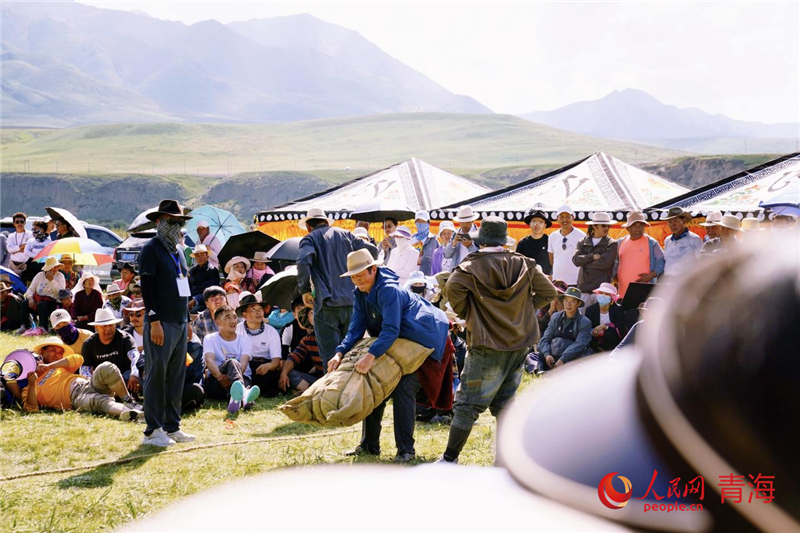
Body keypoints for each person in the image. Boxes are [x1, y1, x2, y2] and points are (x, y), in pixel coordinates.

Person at [438, 217, 557, 464]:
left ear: (481, 240)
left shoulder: (469, 266)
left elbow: (453, 288)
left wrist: (470, 313)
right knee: (505, 404)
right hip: (519, 342)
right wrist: (522, 311)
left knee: (467, 405)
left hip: (486, 344)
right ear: (503, 240)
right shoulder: (524, 263)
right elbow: (549, 293)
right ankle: (505, 461)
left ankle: (449, 460)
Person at [329, 248, 450, 463]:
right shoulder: (359, 293)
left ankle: (406, 450)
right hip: (397, 342)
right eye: (353, 277)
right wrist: (340, 352)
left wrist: (371, 356)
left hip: (424, 338)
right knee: (373, 381)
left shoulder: (389, 290)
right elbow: (355, 329)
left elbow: (391, 329)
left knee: (404, 385)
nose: (357, 281)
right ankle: (369, 445)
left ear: (373, 269)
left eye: (360, 275)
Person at [139, 199, 195, 447]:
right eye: (172, 221)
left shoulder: (179, 251)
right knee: (156, 375)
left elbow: (184, 288)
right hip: (160, 322)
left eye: (180, 222)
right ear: (159, 222)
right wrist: (154, 321)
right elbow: (147, 289)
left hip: (180, 320)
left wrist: (188, 319)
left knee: (175, 376)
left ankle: (173, 426)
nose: (177, 226)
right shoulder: (150, 249)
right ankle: (153, 430)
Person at [296, 207, 377, 371]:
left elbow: (303, 261)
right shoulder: (346, 234)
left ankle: (332, 387)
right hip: (353, 302)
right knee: (351, 355)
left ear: (309, 226)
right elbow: (372, 250)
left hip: (327, 304)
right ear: (327, 222)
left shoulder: (310, 239)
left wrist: (304, 290)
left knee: (331, 359)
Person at [16, 337, 143, 421]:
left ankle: (128, 400)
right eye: (53, 350)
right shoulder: (28, 388)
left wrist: (50, 366)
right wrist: (32, 384)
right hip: (76, 398)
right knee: (98, 401)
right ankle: (132, 413)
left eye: (60, 352)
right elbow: (31, 409)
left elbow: (78, 359)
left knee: (107, 367)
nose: (57, 354)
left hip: (89, 384)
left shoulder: (57, 366)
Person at [128, 300, 206, 412]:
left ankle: (159, 408)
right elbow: (141, 360)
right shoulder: (161, 338)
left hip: (182, 386)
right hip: (161, 385)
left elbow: (192, 372)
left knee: (195, 390)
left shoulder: (193, 345)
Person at [202, 305, 260, 413]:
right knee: (232, 362)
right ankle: (244, 395)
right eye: (228, 317)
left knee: (235, 365)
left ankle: (235, 397)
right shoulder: (210, 338)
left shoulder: (245, 340)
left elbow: (244, 363)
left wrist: (233, 379)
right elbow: (209, 361)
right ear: (218, 322)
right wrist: (220, 377)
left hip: (243, 377)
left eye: (234, 317)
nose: (233, 321)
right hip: (217, 381)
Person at [81, 308, 140, 395]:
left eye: (111, 325)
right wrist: (91, 384)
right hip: (102, 382)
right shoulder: (88, 344)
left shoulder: (125, 338)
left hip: (124, 378)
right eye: (104, 326)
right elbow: (85, 369)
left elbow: (135, 357)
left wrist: (135, 373)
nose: (108, 329)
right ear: (96, 327)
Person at [236, 293, 282, 398]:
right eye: (253, 309)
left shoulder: (271, 331)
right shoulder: (237, 329)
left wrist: (268, 366)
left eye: (260, 309)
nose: (258, 312)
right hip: (244, 365)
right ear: (244, 315)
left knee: (268, 379)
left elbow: (276, 361)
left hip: (263, 366)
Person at [537, 287, 593, 371]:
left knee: (585, 360)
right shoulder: (555, 317)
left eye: (572, 301)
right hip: (552, 352)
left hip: (571, 357)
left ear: (578, 304)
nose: (568, 304)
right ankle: (539, 371)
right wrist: (547, 354)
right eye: (566, 300)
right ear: (562, 301)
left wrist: (563, 359)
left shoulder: (585, 322)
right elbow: (545, 338)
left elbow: (580, 344)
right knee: (533, 356)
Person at [572, 212, 618, 307]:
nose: (607, 228)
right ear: (594, 226)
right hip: (583, 290)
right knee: (583, 316)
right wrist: (592, 257)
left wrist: (584, 262)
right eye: (604, 226)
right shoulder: (582, 241)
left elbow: (605, 264)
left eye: (608, 226)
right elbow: (575, 260)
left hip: (601, 292)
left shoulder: (612, 243)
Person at [615, 211, 665, 298]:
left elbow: (662, 261)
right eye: (634, 225)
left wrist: (650, 276)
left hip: (644, 292)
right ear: (628, 228)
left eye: (641, 225)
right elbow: (614, 263)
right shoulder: (620, 242)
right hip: (622, 293)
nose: (638, 229)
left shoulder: (651, 243)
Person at [278, 306, 322, 394]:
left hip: (337, 377)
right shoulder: (308, 339)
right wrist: (284, 373)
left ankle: (311, 392)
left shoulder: (337, 335)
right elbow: (294, 357)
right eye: (312, 313)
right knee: (289, 372)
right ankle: (311, 392)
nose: (315, 315)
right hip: (319, 380)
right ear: (308, 319)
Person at [584, 282, 628, 353]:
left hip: (613, 344)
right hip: (595, 344)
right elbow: (586, 328)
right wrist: (593, 331)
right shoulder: (590, 310)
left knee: (609, 334)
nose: (603, 296)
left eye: (607, 294)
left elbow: (621, 329)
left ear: (612, 298)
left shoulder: (617, 309)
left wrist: (605, 326)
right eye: (601, 293)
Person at [547, 205, 585, 286]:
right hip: (557, 281)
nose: (564, 220)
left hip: (576, 281)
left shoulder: (581, 236)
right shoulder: (552, 236)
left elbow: (585, 258)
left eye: (567, 217)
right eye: (562, 217)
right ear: (557, 219)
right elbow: (551, 258)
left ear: (573, 217)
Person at [25, 257, 65, 328]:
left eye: (56, 267)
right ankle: (24, 326)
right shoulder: (40, 275)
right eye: (52, 268)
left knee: (42, 305)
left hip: (53, 302)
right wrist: (30, 298)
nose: (54, 269)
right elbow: (31, 289)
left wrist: (52, 281)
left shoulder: (60, 276)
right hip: (38, 300)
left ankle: (43, 327)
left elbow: (61, 293)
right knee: (25, 303)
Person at [662, 207, 703, 277]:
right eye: (670, 222)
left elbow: (701, 262)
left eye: (675, 221)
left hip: (687, 280)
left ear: (683, 221)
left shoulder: (694, 239)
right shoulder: (667, 240)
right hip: (668, 280)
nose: (673, 225)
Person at [516, 208, 552, 276]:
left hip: (546, 279)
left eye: (540, 222)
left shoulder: (550, 241)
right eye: (534, 221)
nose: (537, 225)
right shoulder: (523, 243)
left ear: (545, 225)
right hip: (527, 278)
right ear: (530, 223)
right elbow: (517, 264)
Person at [444, 205, 480, 271]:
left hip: (472, 272)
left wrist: (470, 246)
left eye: (467, 222)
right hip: (456, 272)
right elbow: (446, 255)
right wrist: (453, 244)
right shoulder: (455, 234)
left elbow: (481, 258)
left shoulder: (479, 234)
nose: (464, 225)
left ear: (473, 221)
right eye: (462, 222)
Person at [187, 244, 220, 312]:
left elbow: (211, 291)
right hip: (190, 300)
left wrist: (195, 300)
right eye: (197, 255)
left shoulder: (212, 270)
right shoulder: (192, 270)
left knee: (193, 311)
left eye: (202, 255)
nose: (200, 258)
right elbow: (188, 287)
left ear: (207, 256)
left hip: (205, 302)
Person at [411, 210, 438, 276]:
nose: (420, 224)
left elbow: (435, 259)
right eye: (418, 221)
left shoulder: (433, 240)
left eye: (423, 221)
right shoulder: (411, 238)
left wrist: (422, 259)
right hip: (410, 274)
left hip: (426, 276)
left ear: (428, 223)